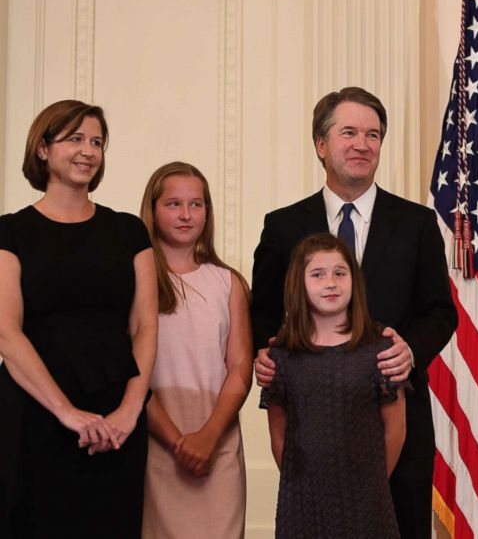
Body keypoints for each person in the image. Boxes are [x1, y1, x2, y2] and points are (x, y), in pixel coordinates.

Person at [251, 86, 457, 539]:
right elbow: (262, 311)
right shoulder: (282, 225)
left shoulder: (417, 223)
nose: (363, 144)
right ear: (321, 144)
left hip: (397, 423)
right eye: (349, 132)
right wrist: (265, 355)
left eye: (373, 134)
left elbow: (441, 312)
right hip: (312, 430)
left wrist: (409, 352)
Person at [0, 100, 158, 537]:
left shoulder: (129, 231)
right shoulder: (10, 231)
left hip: (117, 419)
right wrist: (68, 413)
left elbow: (146, 326)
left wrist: (129, 411)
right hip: (36, 415)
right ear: (43, 149)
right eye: (75, 139)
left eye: (96, 142)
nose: (88, 150)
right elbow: (6, 333)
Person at [261, 233, 409, 538]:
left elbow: (395, 429)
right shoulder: (282, 355)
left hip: (368, 500)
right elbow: (279, 432)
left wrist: (373, 483)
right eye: (318, 274)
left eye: (340, 273)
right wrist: (300, 482)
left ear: (354, 281)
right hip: (301, 501)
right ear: (298, 284)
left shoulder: (380, 349)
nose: (331, 282)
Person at [139, 162, 253, 539]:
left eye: (196, 204)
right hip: (155, 443)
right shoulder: (136, 283)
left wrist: (207, 437)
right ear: (152, 210)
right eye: (173, 204)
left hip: (216, 443)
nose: (186, 214)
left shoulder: (227, 282)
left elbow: (239, 367)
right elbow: (131, 370)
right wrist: (176, 441)